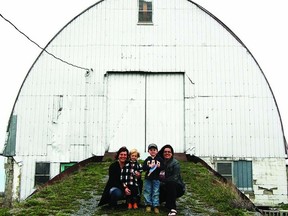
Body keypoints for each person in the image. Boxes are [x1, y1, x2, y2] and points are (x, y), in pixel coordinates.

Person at [158, 144, 185, 216]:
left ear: (172, 153)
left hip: (176, 187)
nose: (167, 153)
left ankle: (173, 209)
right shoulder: (159, 162)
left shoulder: (175, 163)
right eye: (165, 152)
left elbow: (175, 178)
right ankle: (165, 202)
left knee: (171, 183)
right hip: (162, 186)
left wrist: (163, 183)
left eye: (169, 152)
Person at [142, 143, 164, 214]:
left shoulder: (160, 159)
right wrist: (149, 166)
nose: (153, 151)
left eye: (154, 150)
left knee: (155, 192)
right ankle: (148, 204)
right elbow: (144, 168)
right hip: (148, 178)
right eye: (151, 150)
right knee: (147, 191)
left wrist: (158, 167)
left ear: (157, 151)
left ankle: (155, 205)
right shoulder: (147, 159)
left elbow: (163, 167)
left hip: (156, 178)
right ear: (148, 151)